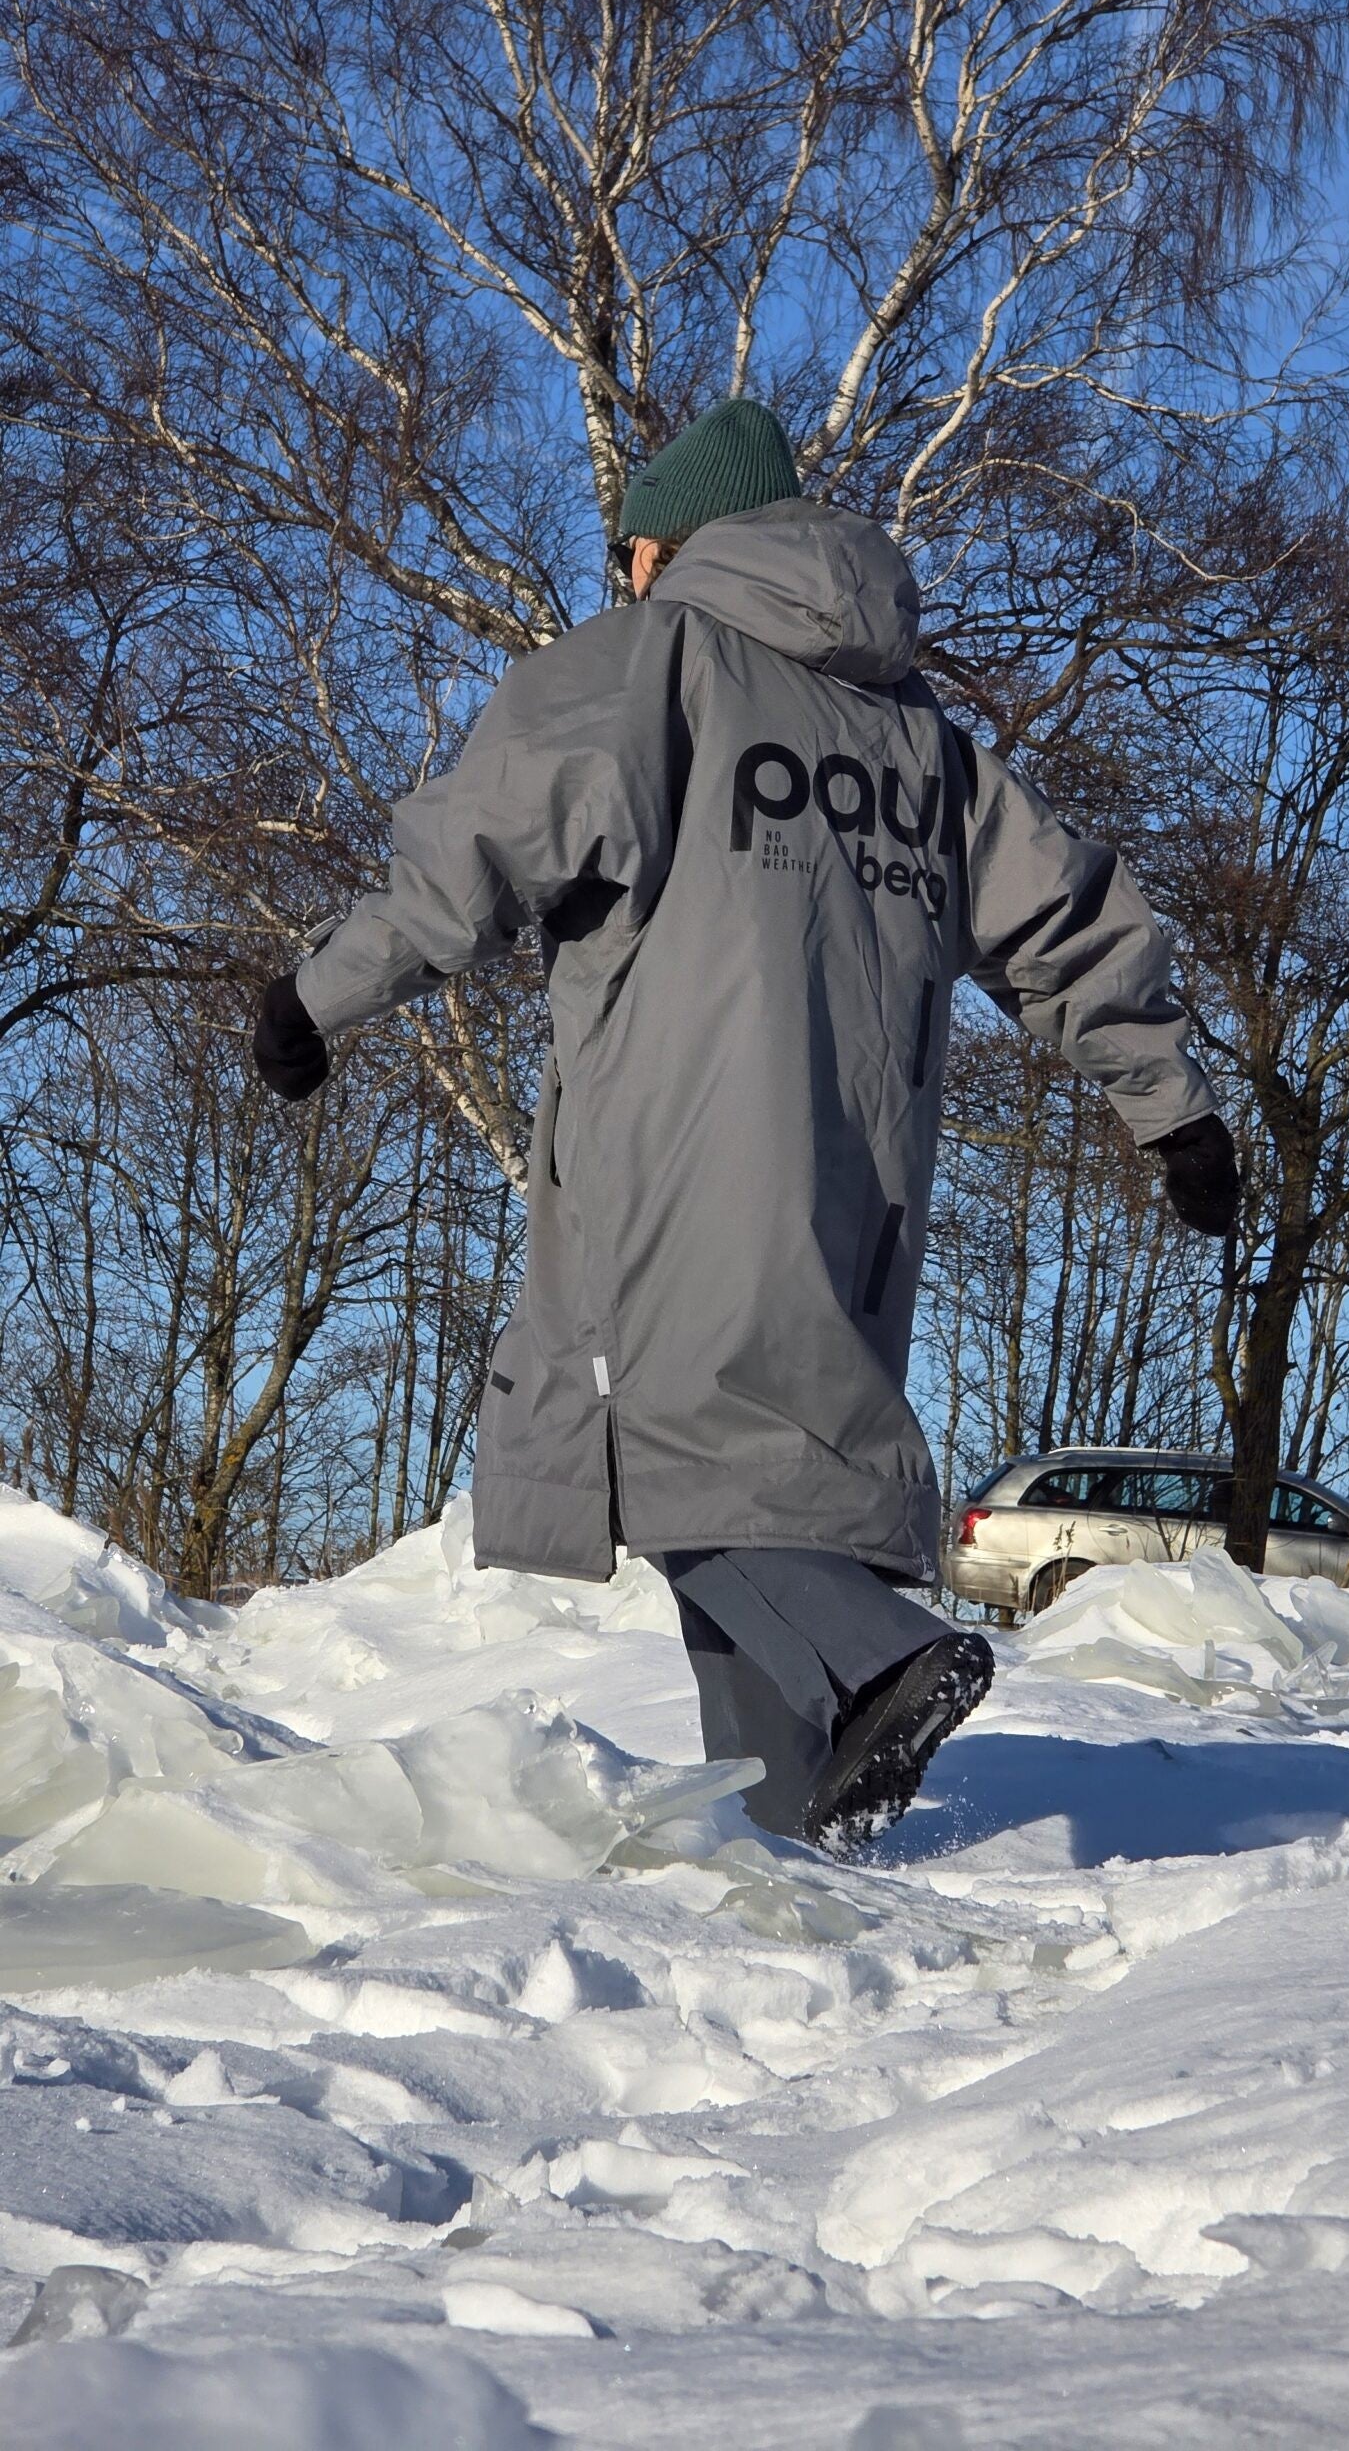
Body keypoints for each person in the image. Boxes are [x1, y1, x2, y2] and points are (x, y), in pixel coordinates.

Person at [254, 397, 1238, 1853]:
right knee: (785, 1486)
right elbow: (1067, 924)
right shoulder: (920, 738)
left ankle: (886, 1664)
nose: (623, 573)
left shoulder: (648, 664)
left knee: (669, 1457)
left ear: (670, 545)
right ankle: (798, 1854)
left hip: (679, 1154)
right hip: (866, 1189)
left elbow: (476, 844)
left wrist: (312, 998)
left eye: (629, 550)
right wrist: (1173, 1113)